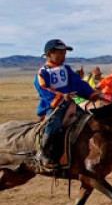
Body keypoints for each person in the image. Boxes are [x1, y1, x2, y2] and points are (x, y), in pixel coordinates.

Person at [34, 39, 102, 168]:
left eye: (64, 53)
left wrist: (92, 94)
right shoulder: (43, 71)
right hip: (53, 106)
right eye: (60, 53)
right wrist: (60, 96)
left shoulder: (66, 69)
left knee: (88, 120)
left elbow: (78, 83)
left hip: (70, 104)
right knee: (54, 124)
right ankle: (44, 153)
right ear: (49, 54)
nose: (64, 56)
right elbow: (43, 88)